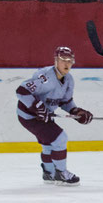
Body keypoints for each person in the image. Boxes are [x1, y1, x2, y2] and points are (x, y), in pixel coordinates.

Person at [15, 47, 93, 186]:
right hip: (29, 116)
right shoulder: (45, 76)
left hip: (43, 116)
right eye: (63, 60)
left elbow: (66, 102)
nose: (67, 64)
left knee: (49, 144)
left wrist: (76, 112)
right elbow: (21, 91)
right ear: (56, 60)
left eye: (70, 61)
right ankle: (61, 173)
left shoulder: (69, 80)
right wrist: (37, 107)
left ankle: (49, 173)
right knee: (60, 138)